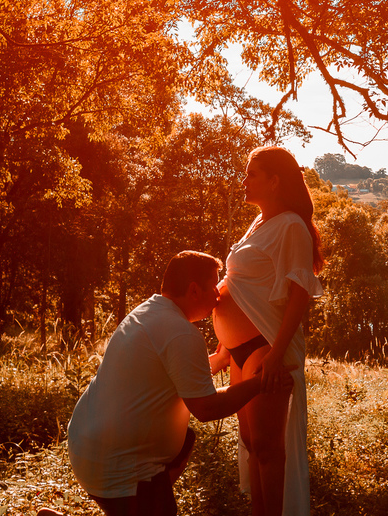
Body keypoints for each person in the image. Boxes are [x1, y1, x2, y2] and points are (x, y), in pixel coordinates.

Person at [67, 250, 290, 516]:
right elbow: (207, 409)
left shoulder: (150, 311)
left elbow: (176, 372)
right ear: (194, 290)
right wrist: (261, 382)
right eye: (214, 286)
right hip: (120, 469)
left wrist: (221, 357)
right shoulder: (181, 332)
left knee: (185, 440)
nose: (219, 295)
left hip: (89, 447)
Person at [211, 146, 324, 516]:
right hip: (242, 349)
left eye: (252, 174)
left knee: (267, 446)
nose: (244, 181)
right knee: (250, 442)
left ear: (274, 181)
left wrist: (277, 353)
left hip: (266, 346)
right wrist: (224, 348)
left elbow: (300, 293)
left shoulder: (291, 225)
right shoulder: (260, 222)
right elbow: (240, 287)